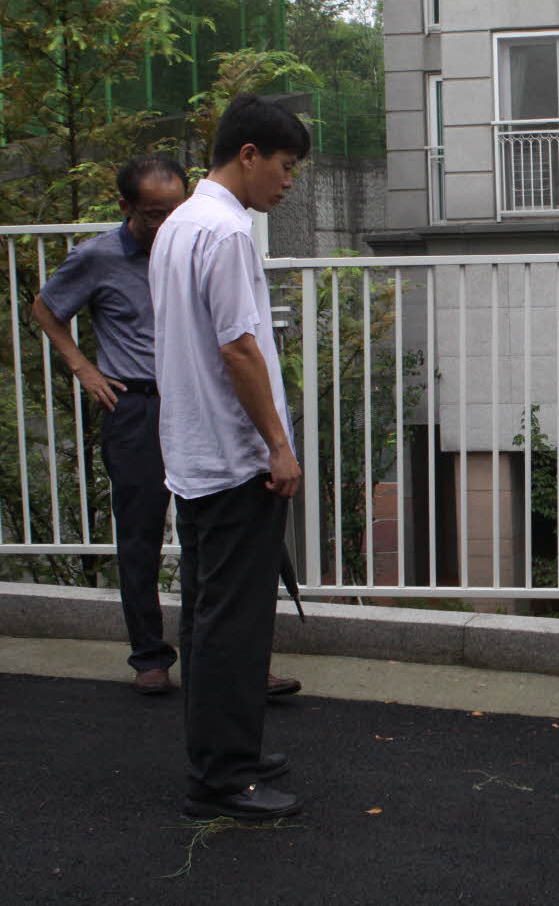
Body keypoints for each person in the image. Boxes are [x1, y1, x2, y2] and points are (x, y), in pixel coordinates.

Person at [31, 156, 302, 701]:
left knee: (222, 539)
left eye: (173, 209)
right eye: (153, 214)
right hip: (138, 404)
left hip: (199, 403)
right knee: (141, 532)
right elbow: (45, 308)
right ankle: (150, 657)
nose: (164, 222)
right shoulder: (100, 256)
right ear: (126, 207)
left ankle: (235, 661)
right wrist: (84, 367)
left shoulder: (193, 238)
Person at [149, 94, 309, 820]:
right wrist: (278, 445)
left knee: (208, 615)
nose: (288, 181)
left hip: (192, 450)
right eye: (284, 166)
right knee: (234, 623)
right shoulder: (225, 232)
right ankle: (222, 776)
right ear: (248, 154)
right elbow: (239, 347)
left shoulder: (179, 224)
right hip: (233, 455)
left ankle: (224, 749)